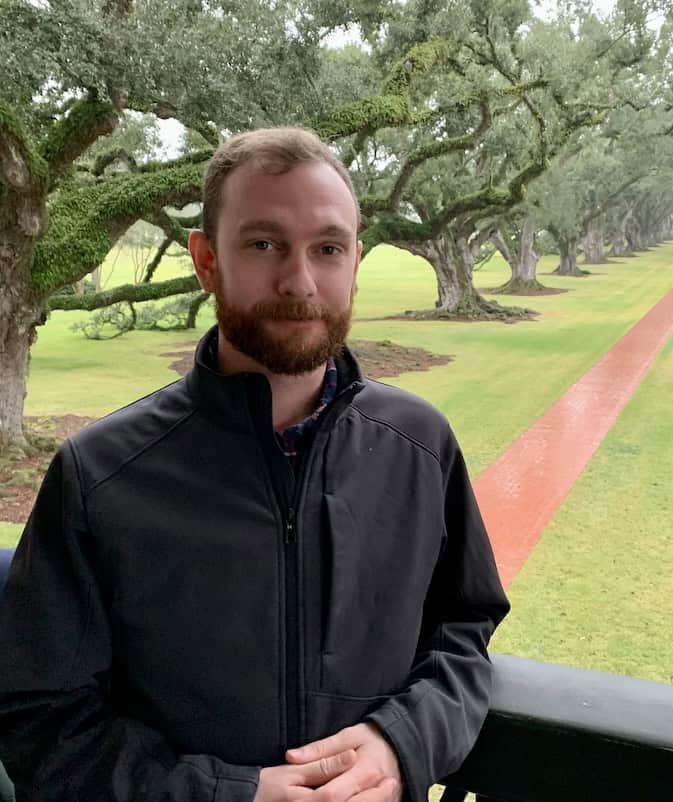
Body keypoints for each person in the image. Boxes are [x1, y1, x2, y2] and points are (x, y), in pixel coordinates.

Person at [0, 127, 509, 802]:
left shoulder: (422, 447)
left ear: (355, 260)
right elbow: (43, 723)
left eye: (327, 248)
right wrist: (229, 794)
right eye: (264, 243)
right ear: (207, 261)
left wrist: (402, 742)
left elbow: (463, 631)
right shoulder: (100, 476)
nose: (299, 281)